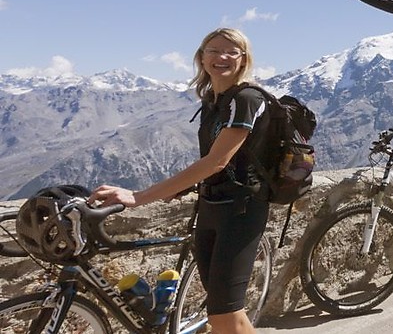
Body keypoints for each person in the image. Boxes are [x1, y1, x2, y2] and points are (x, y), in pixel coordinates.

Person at [90, 28, 268, 334]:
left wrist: (138, 196)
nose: (221, 57)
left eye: (231, 51)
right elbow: (212, 163)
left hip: (241, 212)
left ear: (243, 60)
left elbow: (217, 161)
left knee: (226, 315)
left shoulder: (246, 99)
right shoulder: (213, 100)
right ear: (201, 57)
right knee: (220, 312)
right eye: (213, 50)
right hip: (211, 207)